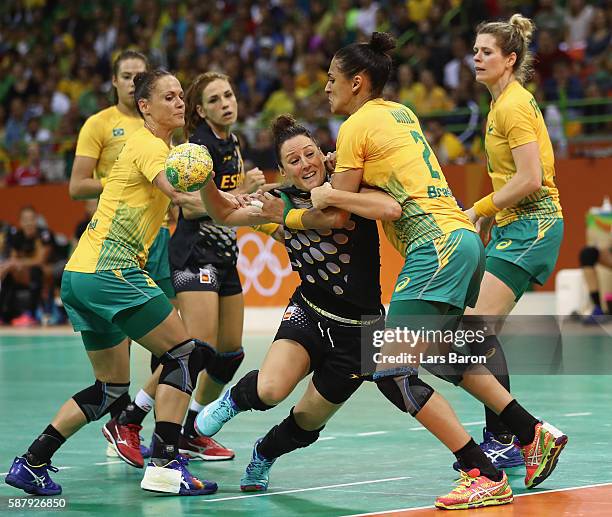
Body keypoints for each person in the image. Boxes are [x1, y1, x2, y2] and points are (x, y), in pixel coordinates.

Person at [309, 32, 567, 510]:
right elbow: (378, 185)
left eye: (332, 79)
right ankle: (531, 434)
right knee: (451, 355)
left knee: (388, 361)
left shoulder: (353, 127)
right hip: (464, 240)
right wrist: (338, 180)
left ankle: (482, 472)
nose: (326, 88)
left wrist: (305, 200)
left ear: (357, 82)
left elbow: (341, 213)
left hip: (436, 246)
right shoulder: (399, 112)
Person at [4, 69, 221, 497]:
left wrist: (241, 205)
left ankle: (31, 463)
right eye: (170, 97)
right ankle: (163, 464)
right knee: (183, 355)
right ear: (145, 106)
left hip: (80, 275)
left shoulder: (162, 147)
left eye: (182, 96)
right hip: (111, 270)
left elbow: (187, 202)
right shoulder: (147, 145)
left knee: (110, 389)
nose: (180, 102)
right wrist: (233, 203)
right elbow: (175, 190)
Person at [194, 114, 401, 492]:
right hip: (310, 312)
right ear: (284, 170)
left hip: (363, 328)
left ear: (325, 156)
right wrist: (205, 181)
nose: (305, 164)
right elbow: (221, 214)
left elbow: (340, 217)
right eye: (294, 160)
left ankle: (264, 453)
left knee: (307, 424)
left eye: (310, 154)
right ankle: (233, 401)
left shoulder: (348, 189)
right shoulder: (277, 201)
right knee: (270, 390)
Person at [107, 72, 270, 464]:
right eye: (215, 100)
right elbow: (190, 204)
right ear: (201, 110)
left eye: (229, 95)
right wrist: (241, 198)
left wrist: (249, 205)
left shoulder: (232, 142)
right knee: (192, 352)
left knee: (228, 356)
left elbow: (230, 204)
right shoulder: (196, 148)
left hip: (225, 254)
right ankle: (130, 420)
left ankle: (191, 429)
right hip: (195, 253)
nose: (226, 103)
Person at [460, 14, 565, 470]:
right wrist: (491, 218)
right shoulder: (500, 103)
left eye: (487, 52)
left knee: (472, 328)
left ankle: (510, 436)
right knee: (480, 331)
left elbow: (531, 178)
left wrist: (479, 209)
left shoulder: (513, 106)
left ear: (510, 59)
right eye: (476, 50)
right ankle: (505, 436)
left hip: (534, 226)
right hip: (513, 226)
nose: (477, 58)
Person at [0, 206, 53, 325]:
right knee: (9, 274)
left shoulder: (44, 234)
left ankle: (30, 314)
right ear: (20, 222)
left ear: (36, 220)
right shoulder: (17, 236)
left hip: (47, 271)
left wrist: (16, 263)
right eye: (25, 219)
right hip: (25, 272)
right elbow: (13, 259)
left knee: (36, 271)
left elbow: (40, 260)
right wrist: (11, 266)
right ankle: (3, 315)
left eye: (31, 219)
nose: (28, 223)